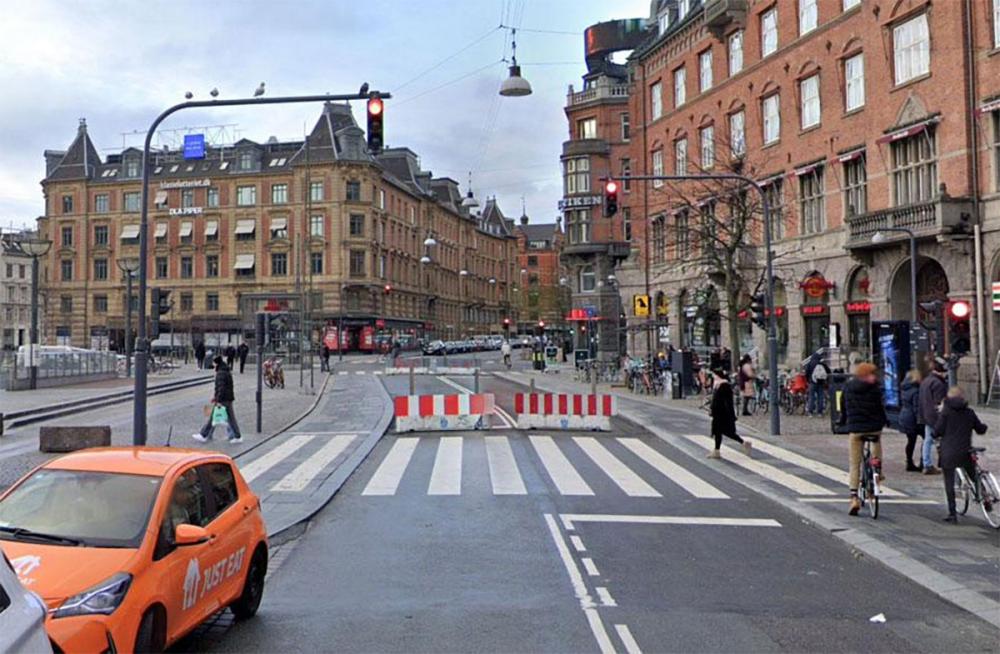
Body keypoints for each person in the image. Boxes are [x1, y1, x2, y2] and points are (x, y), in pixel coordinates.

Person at [838, 362, 887, 516]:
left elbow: (843, 407)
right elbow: (880, 408)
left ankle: (854, 497)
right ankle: (877, 469)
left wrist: (843, 421)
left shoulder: (848, 387)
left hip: (856, 429)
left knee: (854, 463)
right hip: (873, 427)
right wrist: (884, 420)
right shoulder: (875, 389)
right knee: (876, 444)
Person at [934, 387, 988, 523]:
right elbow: (980, 429)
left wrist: (934, 434)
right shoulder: (969, 412)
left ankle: (952, 514)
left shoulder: (946, 412)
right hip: (965, 451)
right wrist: (985, 427)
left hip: (949, 452)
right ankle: (985, 497)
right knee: (974, 476)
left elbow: (937, 431)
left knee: (949, 482)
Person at [192, 356, 243, 444]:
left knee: (213, 418)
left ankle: (203, 435)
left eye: (214, 364)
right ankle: (237, 436)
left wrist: (218, 400)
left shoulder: (220, 373)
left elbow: (221, 388)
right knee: (231, 419)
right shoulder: (225, 371)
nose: (213, 365)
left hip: (223, 399)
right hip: (228, 398)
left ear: (217, 364)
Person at [707, 368, 752, 459]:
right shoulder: (718, 385)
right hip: (718, 414)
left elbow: (727, 402)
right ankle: (716, 451)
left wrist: (730, 415)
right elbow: (716, 400)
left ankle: (744, 443)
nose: (713, 377)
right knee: (718, 432)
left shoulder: (724, 386)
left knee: (726, 432)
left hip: (723, 414)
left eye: (714, 375)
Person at [918, 361, 948, 475]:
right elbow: (939, 404)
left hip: (926, 414)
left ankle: (926, 463)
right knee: (939, 440)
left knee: (928, 440)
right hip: (934, 416)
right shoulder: (938, 384)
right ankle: (931, 464)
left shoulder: (926, 381)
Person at [898, 369, 924, 472]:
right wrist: (921, 420)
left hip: (905, 416)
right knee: (926, 438)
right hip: (913, 418)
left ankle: (909, 461)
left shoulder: (904, 388)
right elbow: (916, 407)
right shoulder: (916, 390)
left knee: (911, 441)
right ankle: (924, 462)